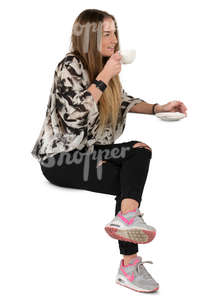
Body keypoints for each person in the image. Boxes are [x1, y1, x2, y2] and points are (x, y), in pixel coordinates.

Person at [31, 9, 187, 293]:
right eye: (106, 34)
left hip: (89, 153)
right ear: (89, 36)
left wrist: (157, 108)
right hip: (59, 159)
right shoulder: (70, 66)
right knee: (128, 184)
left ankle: (127, 221)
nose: (114, 39)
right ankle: (129, 262)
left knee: (140, 151)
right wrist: (104, 76)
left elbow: (122, 100)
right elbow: (75, 117)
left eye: (114, 32)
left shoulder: (105, 67)